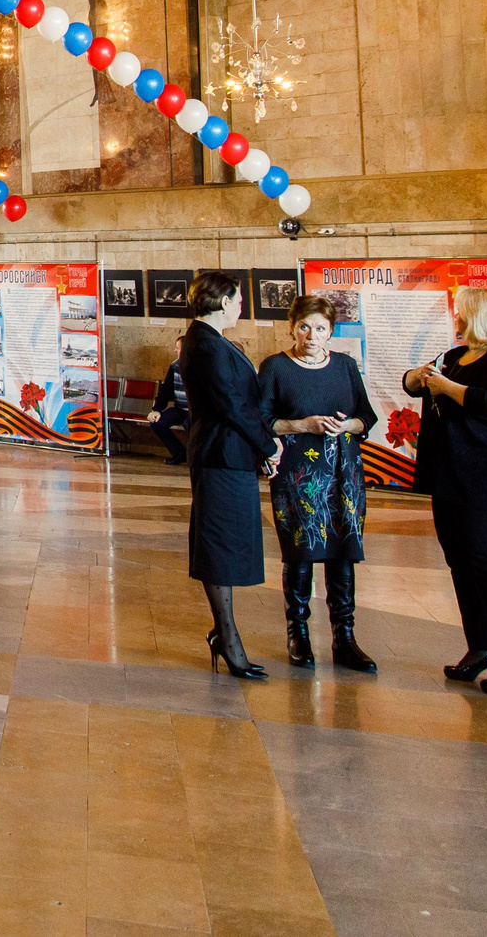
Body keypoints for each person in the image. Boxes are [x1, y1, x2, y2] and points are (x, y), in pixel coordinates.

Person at [404, 286, 487, 696]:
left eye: (461, 313)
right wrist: (417, 378)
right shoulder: (454, 357)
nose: (455, 319)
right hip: (451, 476)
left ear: (482, 318)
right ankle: (483, 646)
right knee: (460, 564)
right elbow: (414, 385)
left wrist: (445, 388)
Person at [258, 296, 377, 672]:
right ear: (292, 326)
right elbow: (261, 421)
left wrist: (347, 425)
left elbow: (366, 418)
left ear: (331, 331)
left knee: (343, 548)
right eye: (305, 327)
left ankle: (345, 637)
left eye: (321, 328)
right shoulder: (276, 367)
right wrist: (302, 424)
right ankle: (299, 634)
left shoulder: (344, 365)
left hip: (344, 469)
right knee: (301, 549)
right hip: (298, 472)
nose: (312, 335)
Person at [180, 271, 275, 679]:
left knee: (227, 543)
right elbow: (233, 405)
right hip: (220, 454)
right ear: (221, 302)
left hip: (227, 454)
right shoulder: (206, 344)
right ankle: (228, 639)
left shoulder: (209, 341)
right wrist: (269, 446)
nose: (240, 306)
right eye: (237, 300)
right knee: (219, 545)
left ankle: (226, 635)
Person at [144, 340, 190, 465]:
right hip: (180, 408)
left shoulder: (202, 367)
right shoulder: (175, 366)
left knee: (189, 424)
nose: (175, 350)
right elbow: (165, 391)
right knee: (158, 423)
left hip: (197, 411)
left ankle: (197, 458)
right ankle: (179, 453)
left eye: (178, 348)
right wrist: (156, 410)